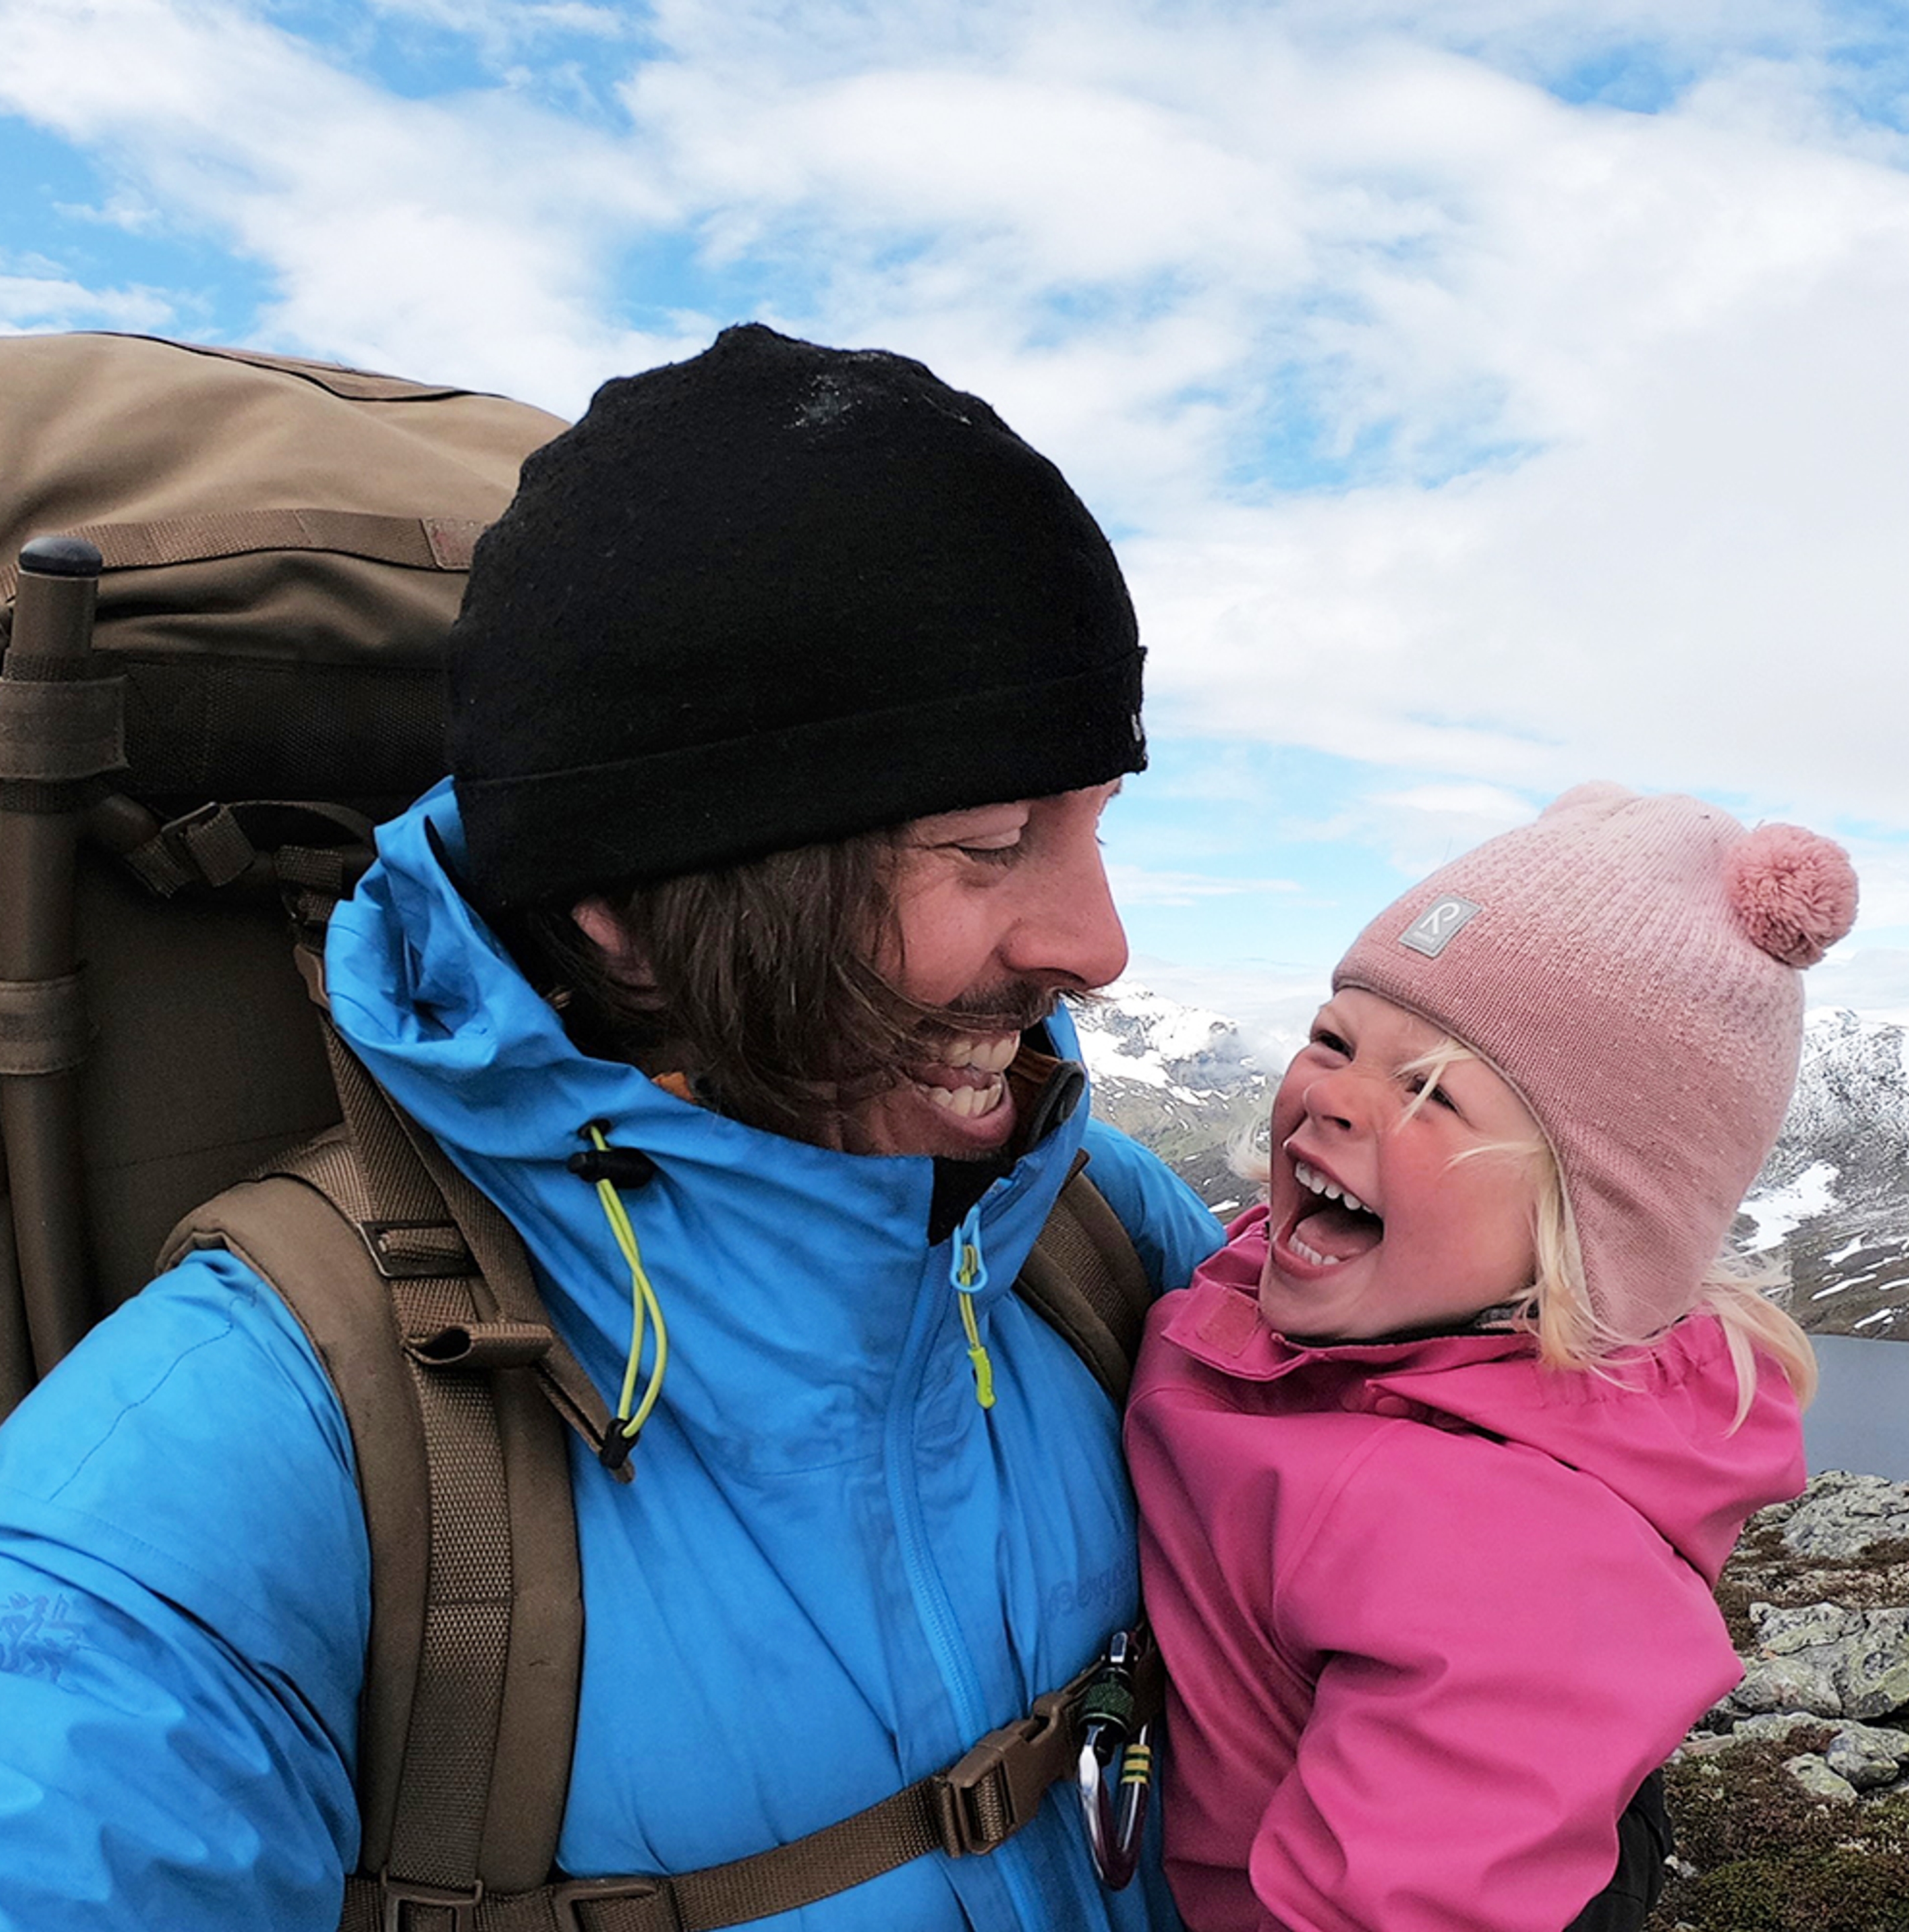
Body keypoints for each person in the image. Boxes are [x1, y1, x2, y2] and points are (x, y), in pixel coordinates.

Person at [0, 325, 1222, 1931]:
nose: (1099, 940)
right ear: (630, 913)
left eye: (1092, 823)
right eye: (990, 839)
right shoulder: (233, 1451)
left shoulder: (1089, 1232)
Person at [1125, 782, 1857, 1932]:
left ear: (1586, 1224)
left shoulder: (1516, 1552)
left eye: (1431, 1093)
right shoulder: (1293, 1297)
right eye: (1333, 1039)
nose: (1338, 1099)